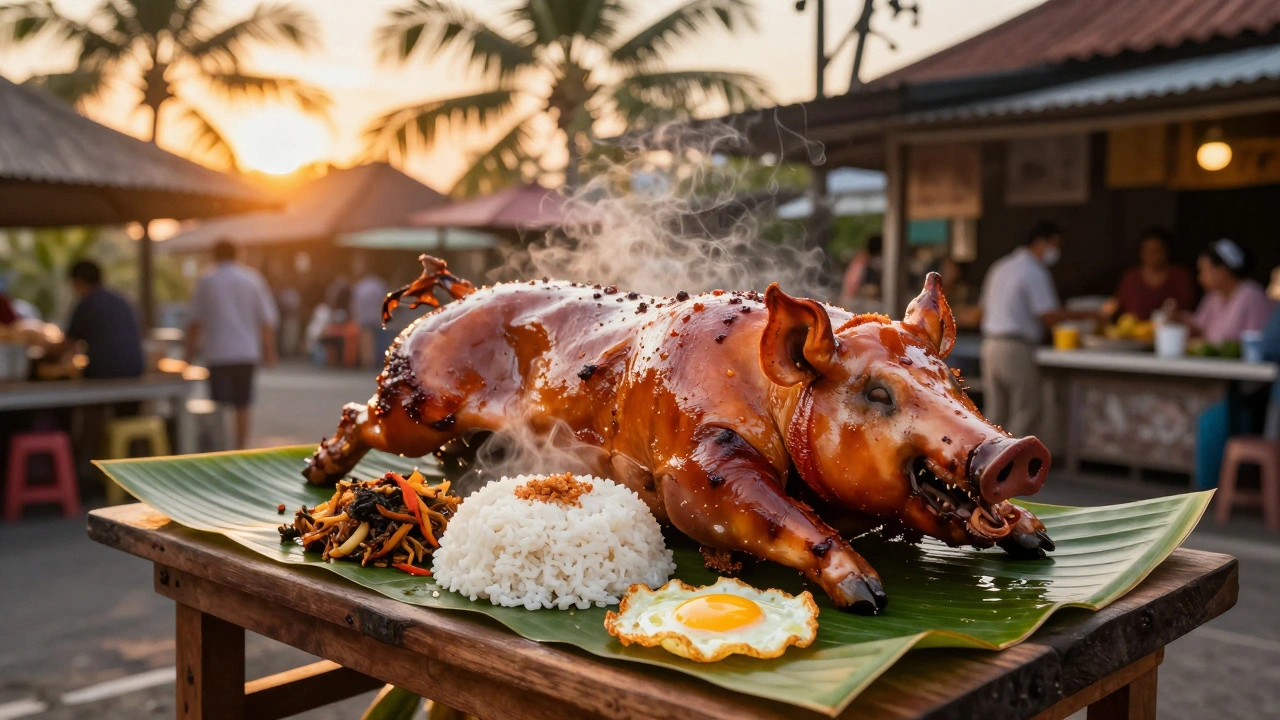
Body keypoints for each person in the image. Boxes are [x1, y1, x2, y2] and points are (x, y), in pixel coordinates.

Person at [978, 222, 1095, 437]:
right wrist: (1091, 316)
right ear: (1041, 243)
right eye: (1055, 245)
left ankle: (986, 464)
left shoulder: (1000, 266)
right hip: (1015, 347)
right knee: (1027, 409)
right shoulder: (1033, 270)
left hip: (990, 345)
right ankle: (1009, 462)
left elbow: (983, 309)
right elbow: (1049, 316)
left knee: (996, 412)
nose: (1056, 252)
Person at [185, 240, 279, 449]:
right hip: (246, 351)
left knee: (220, 405)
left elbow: (194, 321)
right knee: (243, 405)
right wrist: (270, 351)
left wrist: (188, 354)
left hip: (218, 352)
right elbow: (266, 319)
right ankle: (240, 446)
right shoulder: (252, 278)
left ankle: (222, 446)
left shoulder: (206, 279)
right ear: (238, 253)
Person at [64, 260, 145, 379]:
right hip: (135, 370)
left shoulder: (87, 304)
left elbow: (69, 343)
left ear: (78, 282)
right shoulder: (121, 301)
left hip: (105, 373)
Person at [1185, 238, 1272, 343]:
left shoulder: (1251, 294)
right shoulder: (1213, 297)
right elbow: (1199, 327)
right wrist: (1178, 318)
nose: (1200, 278)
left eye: (1204, 271)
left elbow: (1258, 339)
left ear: (1223, 270)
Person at [1103, 227, 1196, 320]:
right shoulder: (1131, 277)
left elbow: (1189, 310)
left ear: (1166, 251)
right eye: (1147, 251)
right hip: (1134, 331)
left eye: (1156, 251)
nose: (1151, 255)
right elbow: (1115, 304)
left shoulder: (1179, 276)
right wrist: (1102, 313)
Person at [349, 256, 390, 366]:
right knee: (378, 342)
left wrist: (356, 317)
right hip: (377, 317)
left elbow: (355, 304)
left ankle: (368, 362)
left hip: (365, 319)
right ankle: (378, 361)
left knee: (366, 343)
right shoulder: (380, 285)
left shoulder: (360, 286)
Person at [839, 235, 883, 309]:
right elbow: (869, 289)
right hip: (854, 304)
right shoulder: (867, 262)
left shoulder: (860, 258)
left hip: (849, 301)